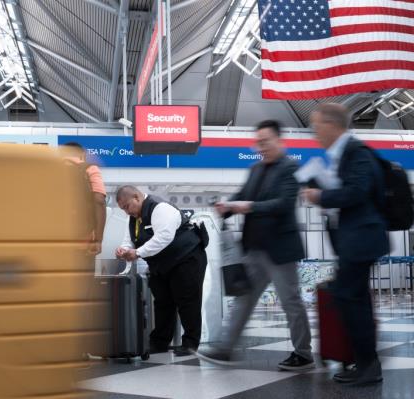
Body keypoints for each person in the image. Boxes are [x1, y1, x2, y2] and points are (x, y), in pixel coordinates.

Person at [196, 120, 314, 371]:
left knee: (290, 301)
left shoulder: (290, 168)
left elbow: (283, 204)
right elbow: (242, 195)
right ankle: (225, 349)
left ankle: (303, 353)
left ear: (279, 141)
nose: (260, 146)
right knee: (243, 300)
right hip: (253, 248)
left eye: (265, 141)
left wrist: (248, 206)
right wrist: (227, 207)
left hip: (280, 249)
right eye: (257, 142)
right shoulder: (256, 169)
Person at [302, 103, 388, 385]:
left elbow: (357, 191)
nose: (315, 134)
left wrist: (321, 196)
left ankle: (367, 365)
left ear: (331, 125)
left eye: (317, 127)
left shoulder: (356, 152)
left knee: (349, 298)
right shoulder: (343, 155)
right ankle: (363, 362)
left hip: (362, 240)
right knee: (353, 299)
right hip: (355, 240)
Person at [115, 185, 208, 356]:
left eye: (127, 206)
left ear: (137, 197)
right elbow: (130, 240)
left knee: (187, 301)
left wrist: (137, 252)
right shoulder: (134, 218)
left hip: (186, 257)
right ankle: (159, 342)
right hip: (162, 264)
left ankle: (190, 343)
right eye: (123, 209)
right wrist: (123, 249)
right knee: (162, 302)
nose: (126, 212)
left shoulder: (160, 208)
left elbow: (163, 237)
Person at [62, 142, 106, 255]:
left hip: (54, 241)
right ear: (82, 154)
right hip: (83, 241)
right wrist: (98, 240)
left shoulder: (49, 170)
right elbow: (99, 201)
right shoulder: (90, 169)